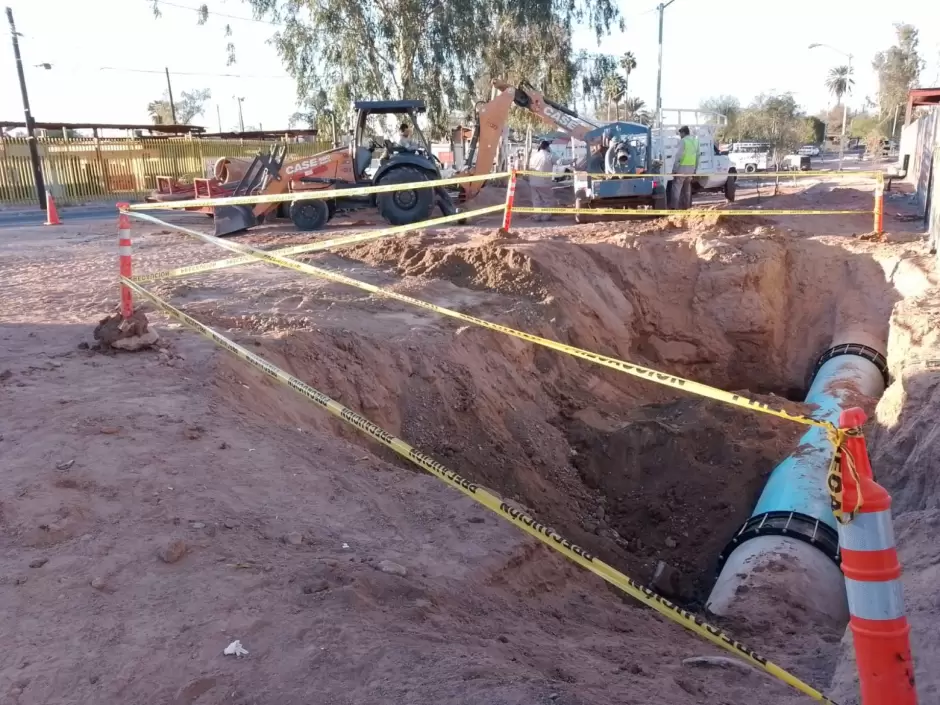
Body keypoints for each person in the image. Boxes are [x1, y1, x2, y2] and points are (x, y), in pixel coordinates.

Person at [671, 125, 699, 210]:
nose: (680, 135)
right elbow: (698, 156)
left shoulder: (683, 141)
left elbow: (678, 156)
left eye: (680, 133)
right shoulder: (695, 141)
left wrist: (674, 169)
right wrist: (695, 169)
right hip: (691, 167)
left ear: (683, 133)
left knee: (676, 187)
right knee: (687, 188)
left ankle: (674, 207)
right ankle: (687, 207)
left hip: (682, 167)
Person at [528, 140, 555, 221]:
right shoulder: (549, 155)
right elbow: (560, 161)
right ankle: (546, 216)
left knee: (536, 199)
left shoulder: (534, 156)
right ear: (547, 147)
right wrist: (572, 161)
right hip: (544, 182)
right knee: (547, 199)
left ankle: (537, 216)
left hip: (533, 181)